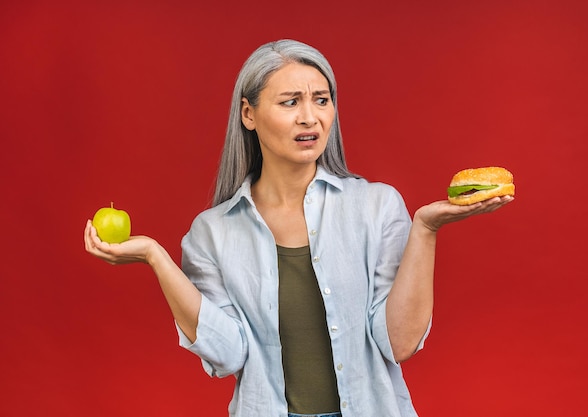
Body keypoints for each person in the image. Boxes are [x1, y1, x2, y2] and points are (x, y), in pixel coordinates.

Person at [84, 39, 513, 417]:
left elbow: (397, 343)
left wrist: (425, 229)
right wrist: (155, 258)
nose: (310, 117)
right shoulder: (211, 233)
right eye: (290, 102)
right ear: (248, 114)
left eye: (321, 100)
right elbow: (228, 355)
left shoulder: (377, 207)